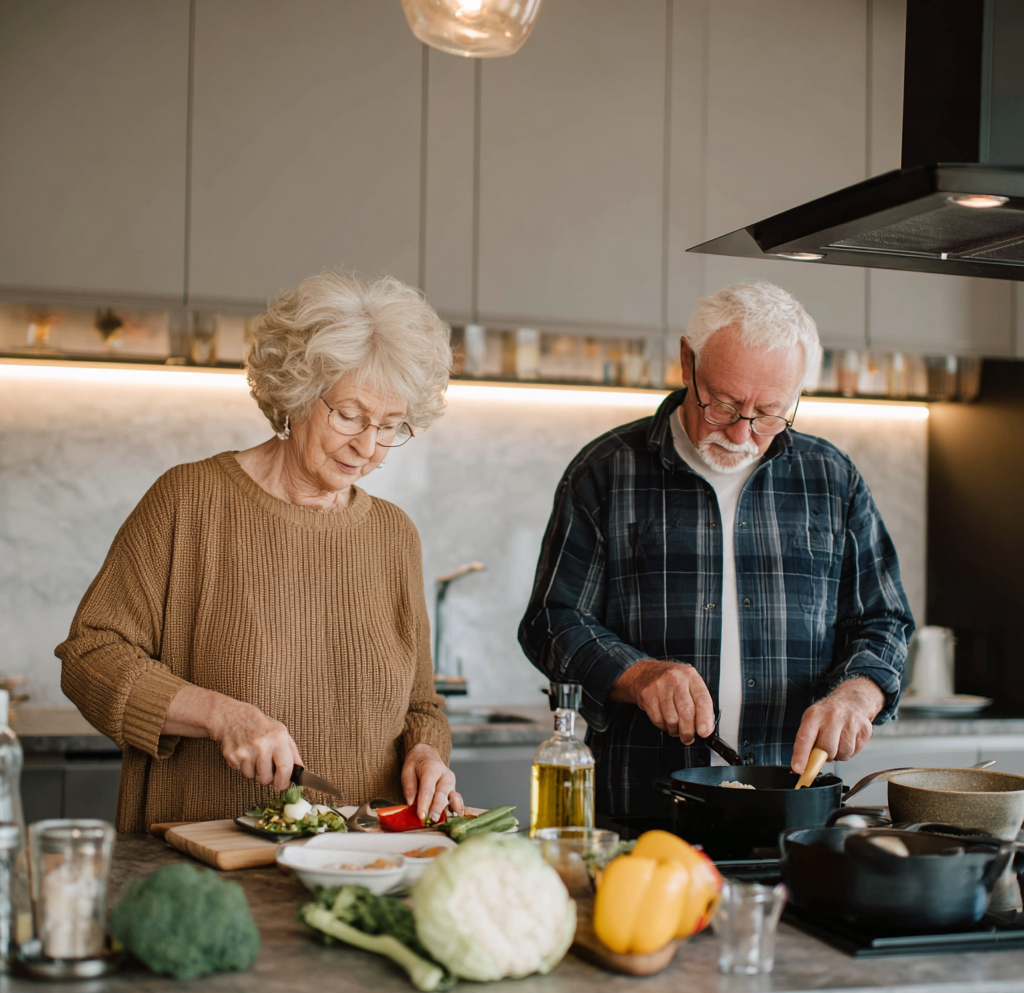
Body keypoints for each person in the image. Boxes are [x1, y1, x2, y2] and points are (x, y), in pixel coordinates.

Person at [57, 272, 463, 831]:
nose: (368, 447)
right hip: (204, 865)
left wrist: (426, 753)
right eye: (349, 415)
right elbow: (90, 657)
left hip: (362, 862)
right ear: (297, 392)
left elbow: (421, 705)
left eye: (390, 426)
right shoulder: (189, 501)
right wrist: (219, 715)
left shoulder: (394, 535)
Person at [519, 280, 914, 815]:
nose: (742, 433)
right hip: (647, 807)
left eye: (769, 413)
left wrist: (857, 694)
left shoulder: (832, 478)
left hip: (794, 813)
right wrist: (640, 676)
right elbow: (551, 620)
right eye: (723, 405)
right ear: (687, 362)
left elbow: (884, 621)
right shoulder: (607, 470)